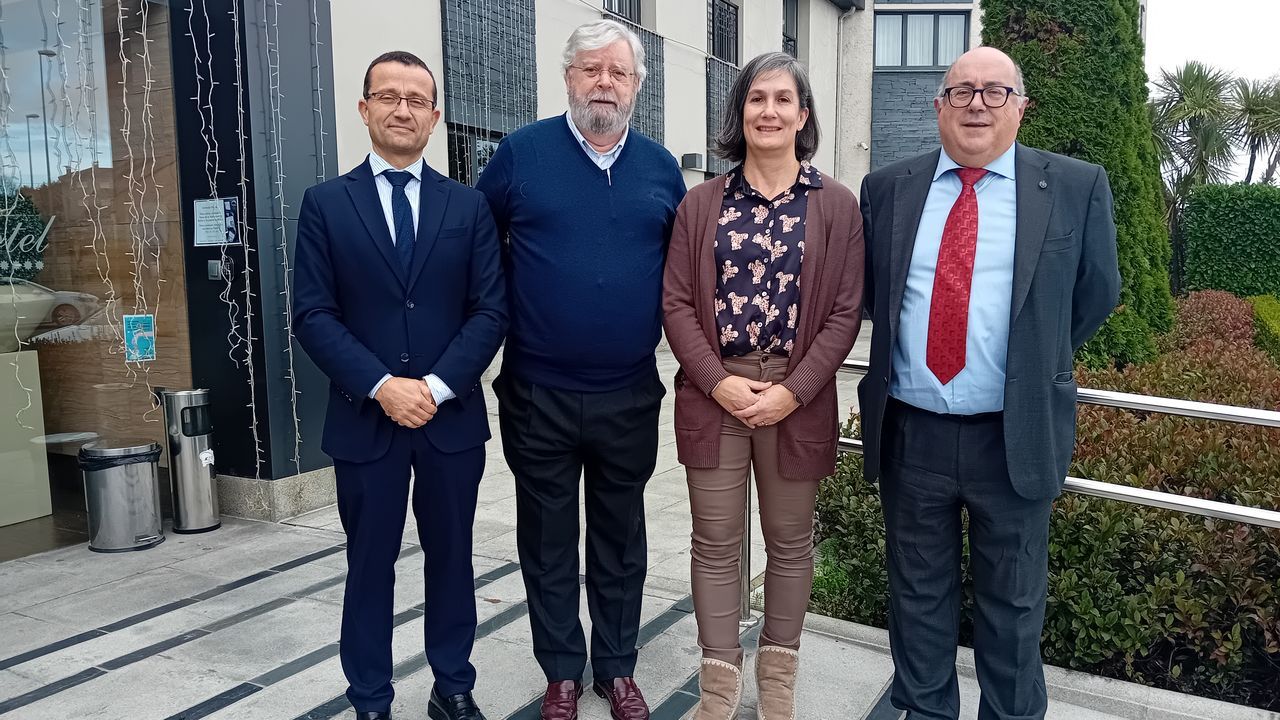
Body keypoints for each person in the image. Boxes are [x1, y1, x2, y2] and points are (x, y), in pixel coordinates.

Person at [857, 46, 1120, 719]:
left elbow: (1094, 297)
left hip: (1015, 436)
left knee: (1014, 609)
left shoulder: (1074, 186)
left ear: (1021, 107)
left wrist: (1031, 363)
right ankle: (926, 711)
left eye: (995, 91)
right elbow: (871, 296)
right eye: (962, 91)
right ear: (937, 106)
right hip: (912, 436)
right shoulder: (887, 188)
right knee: (916, 602)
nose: (978, 103)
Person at [475, 19, 686, 720]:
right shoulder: (520, 155)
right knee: (547, 538)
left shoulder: (661, 169)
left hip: (628, 392)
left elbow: (682, 274)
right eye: (591, 69)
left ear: (635, 87)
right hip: (537, 393)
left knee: (622, 539)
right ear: (568, 77)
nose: (604, 82)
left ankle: (617, 668)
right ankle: (562, 670)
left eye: (618, 73)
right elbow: (477, 247)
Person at [293, 51, 506, 720]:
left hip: (450, 425)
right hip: (366, 422)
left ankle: (453, 684)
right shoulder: (326, 204)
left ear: (436, 117)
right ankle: (370, 697)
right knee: (368, 568)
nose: (403, 108)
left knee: (452, 559)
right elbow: (312, 313)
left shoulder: (468, 206)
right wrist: (383, 385)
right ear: (364, 109)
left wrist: (437, 386)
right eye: (388, 96)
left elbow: (490, 309)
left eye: (417, 99)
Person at [662, 52, 864, 720]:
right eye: (756, 99)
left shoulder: (836, 206)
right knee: (715, 544)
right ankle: (718, 692)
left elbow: (843, 312)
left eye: (783, 100)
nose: (769, 111)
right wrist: (718, 383)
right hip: (714, 394)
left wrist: (794, 390)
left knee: (789, 542)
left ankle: (777, 687)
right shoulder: (700, 205)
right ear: (739, 113)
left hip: (792, 399)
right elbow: (677, 305)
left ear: (803, 115)